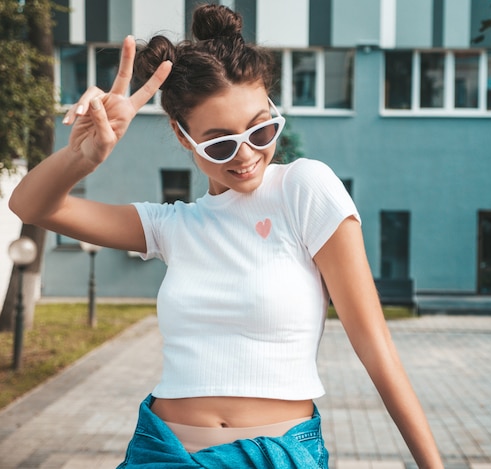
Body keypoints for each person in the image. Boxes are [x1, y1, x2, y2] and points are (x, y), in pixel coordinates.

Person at [9, 4, 444, 468]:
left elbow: (375, 347)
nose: (247, 155)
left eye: (261, 129)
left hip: (273, 455)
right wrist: (85, 157)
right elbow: (32, 206)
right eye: (219, 143)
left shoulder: (304, 189)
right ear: (182, 136)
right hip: (161, 452)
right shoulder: (172, 225)